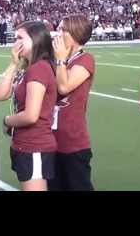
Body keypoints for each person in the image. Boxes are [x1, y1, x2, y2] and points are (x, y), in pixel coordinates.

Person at [0, 21, 57, 191]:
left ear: (36, 39)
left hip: (34, 143)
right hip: (24, 143)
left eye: (20, 38)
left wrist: (7, 120)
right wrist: (14, 64)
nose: (15, 43)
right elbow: (0, 94)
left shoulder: (39, 69)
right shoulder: (28, 68)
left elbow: (31, 115)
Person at [49, 14, 95, 191]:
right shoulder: (59, 61)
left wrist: (60, 59)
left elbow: (64, 87)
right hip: (51, 139)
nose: (57, 33)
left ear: (75, 33)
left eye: (62, 29)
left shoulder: (85, 59)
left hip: (73, 141)